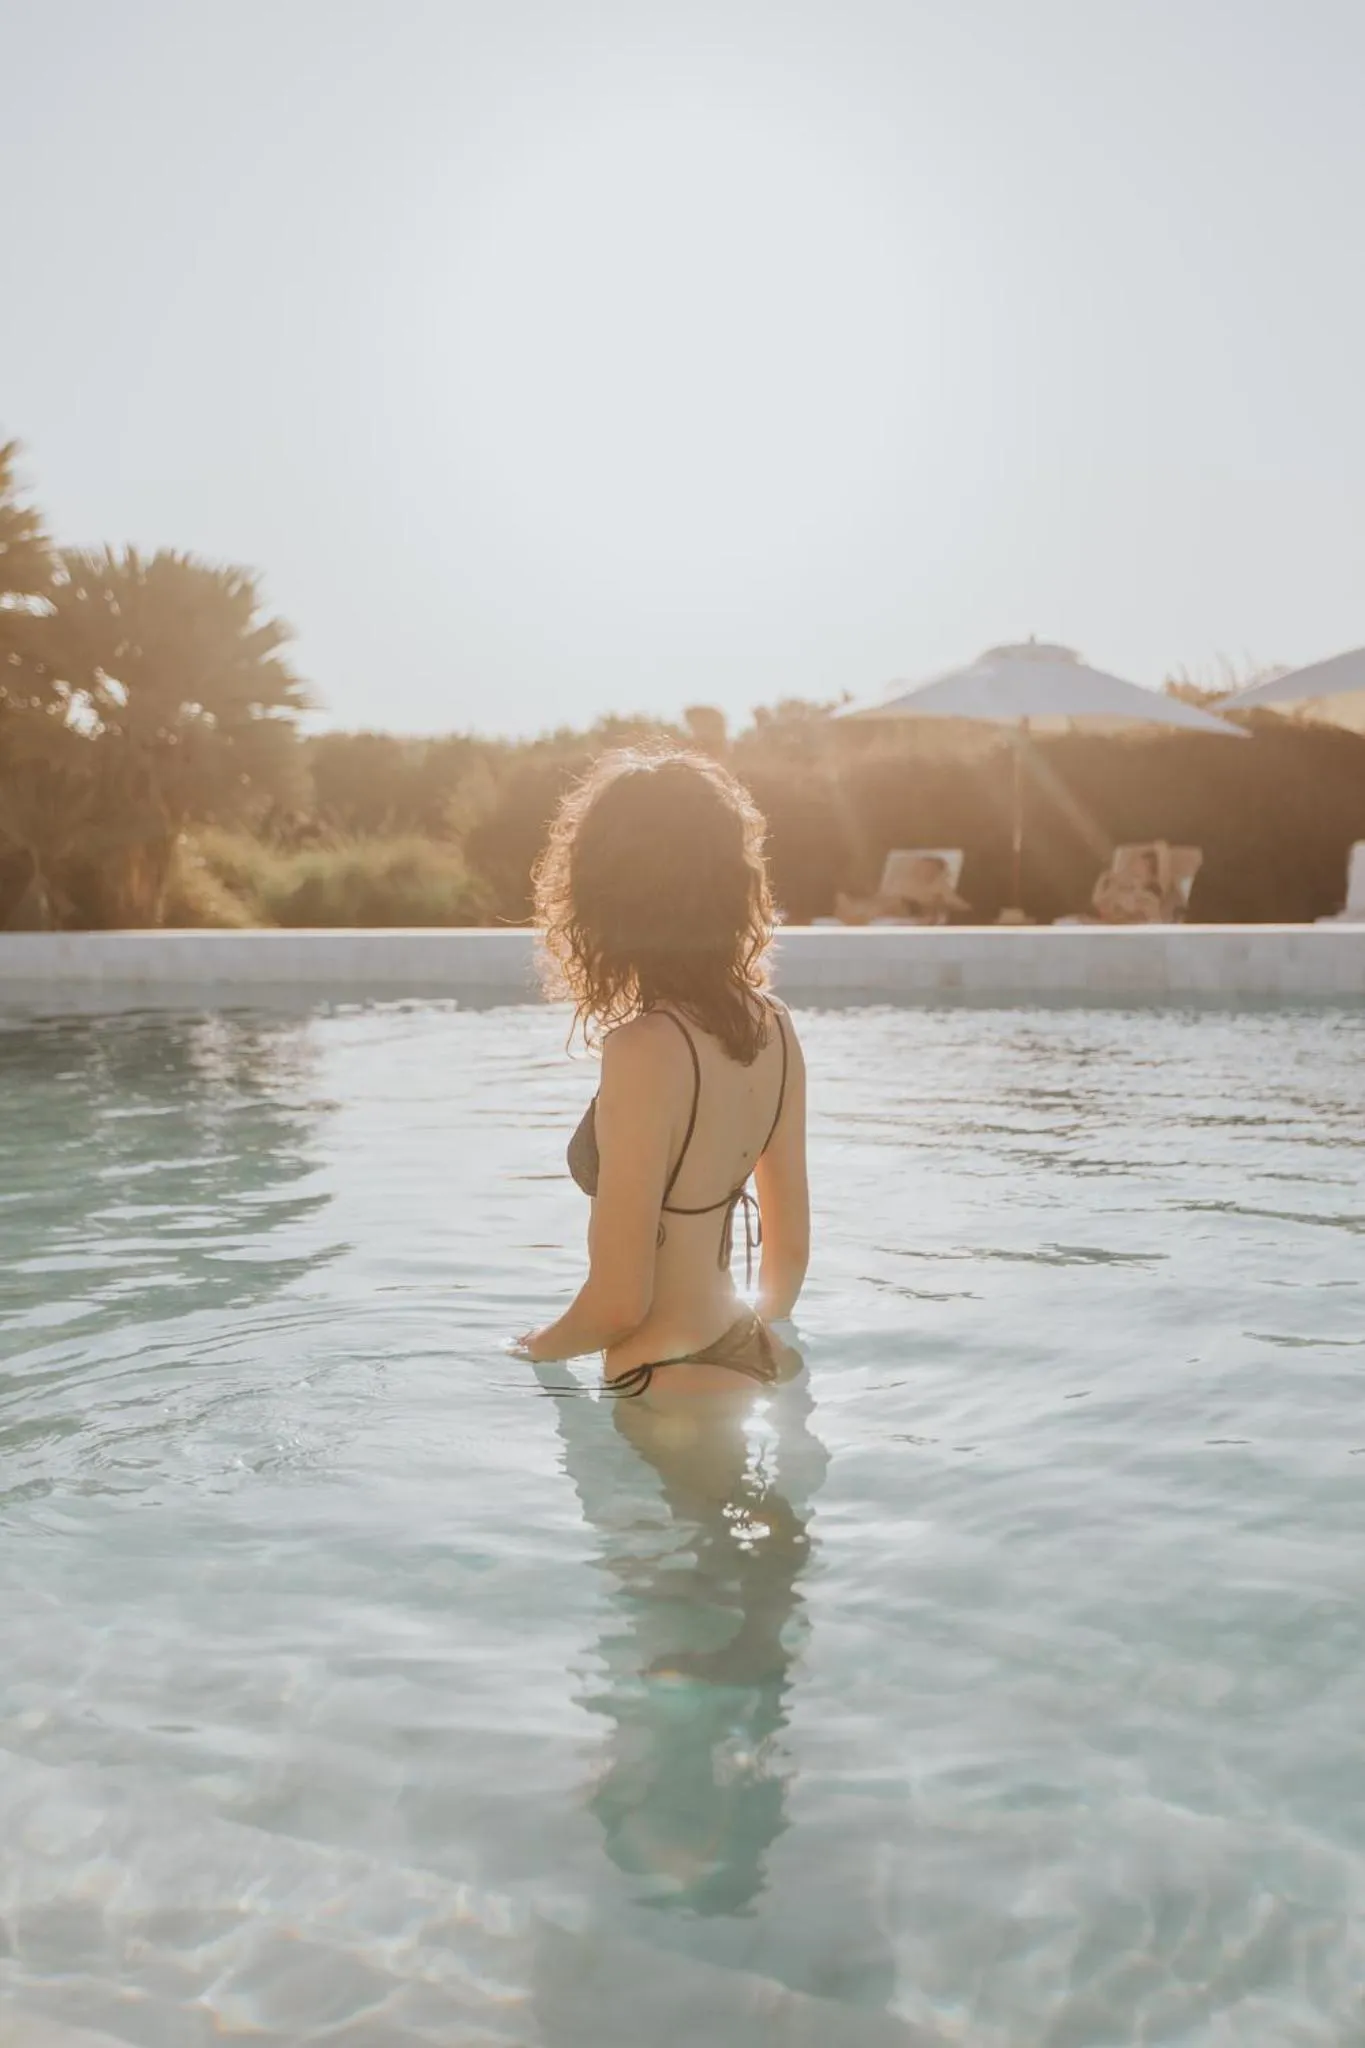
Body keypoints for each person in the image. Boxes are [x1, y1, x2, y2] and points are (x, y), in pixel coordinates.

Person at [511, 748, 809, 1403]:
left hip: (662, 1379)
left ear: (608, 896)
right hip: (751, 1354)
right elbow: (787, 1258)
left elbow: (619, 1304)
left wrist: (532, 1348)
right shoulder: (776, 1026)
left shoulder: (643, 1050)